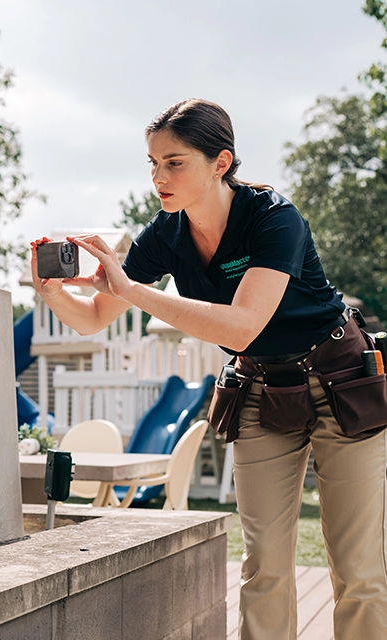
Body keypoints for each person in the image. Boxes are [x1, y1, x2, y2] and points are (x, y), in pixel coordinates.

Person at [30, 98, 387, 639]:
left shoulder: (274, 217)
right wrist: (53, 294)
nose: (159, 177)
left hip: (341, 383)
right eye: (152, 163)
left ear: (221, 163)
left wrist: (133, 290)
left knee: (357, 570)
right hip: (261, 391)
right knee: (264, 565)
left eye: (175, 162)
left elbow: (241, 325)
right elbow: (94, 317)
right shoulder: (165, 234)